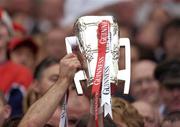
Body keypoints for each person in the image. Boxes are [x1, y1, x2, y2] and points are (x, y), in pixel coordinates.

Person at [19, 54, 81, 127]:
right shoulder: (16, 121)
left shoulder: (77, 118)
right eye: (55, 79)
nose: (66, 85)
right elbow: (30, 124)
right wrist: (63, 80)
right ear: (36, 85)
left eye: (70, 81)